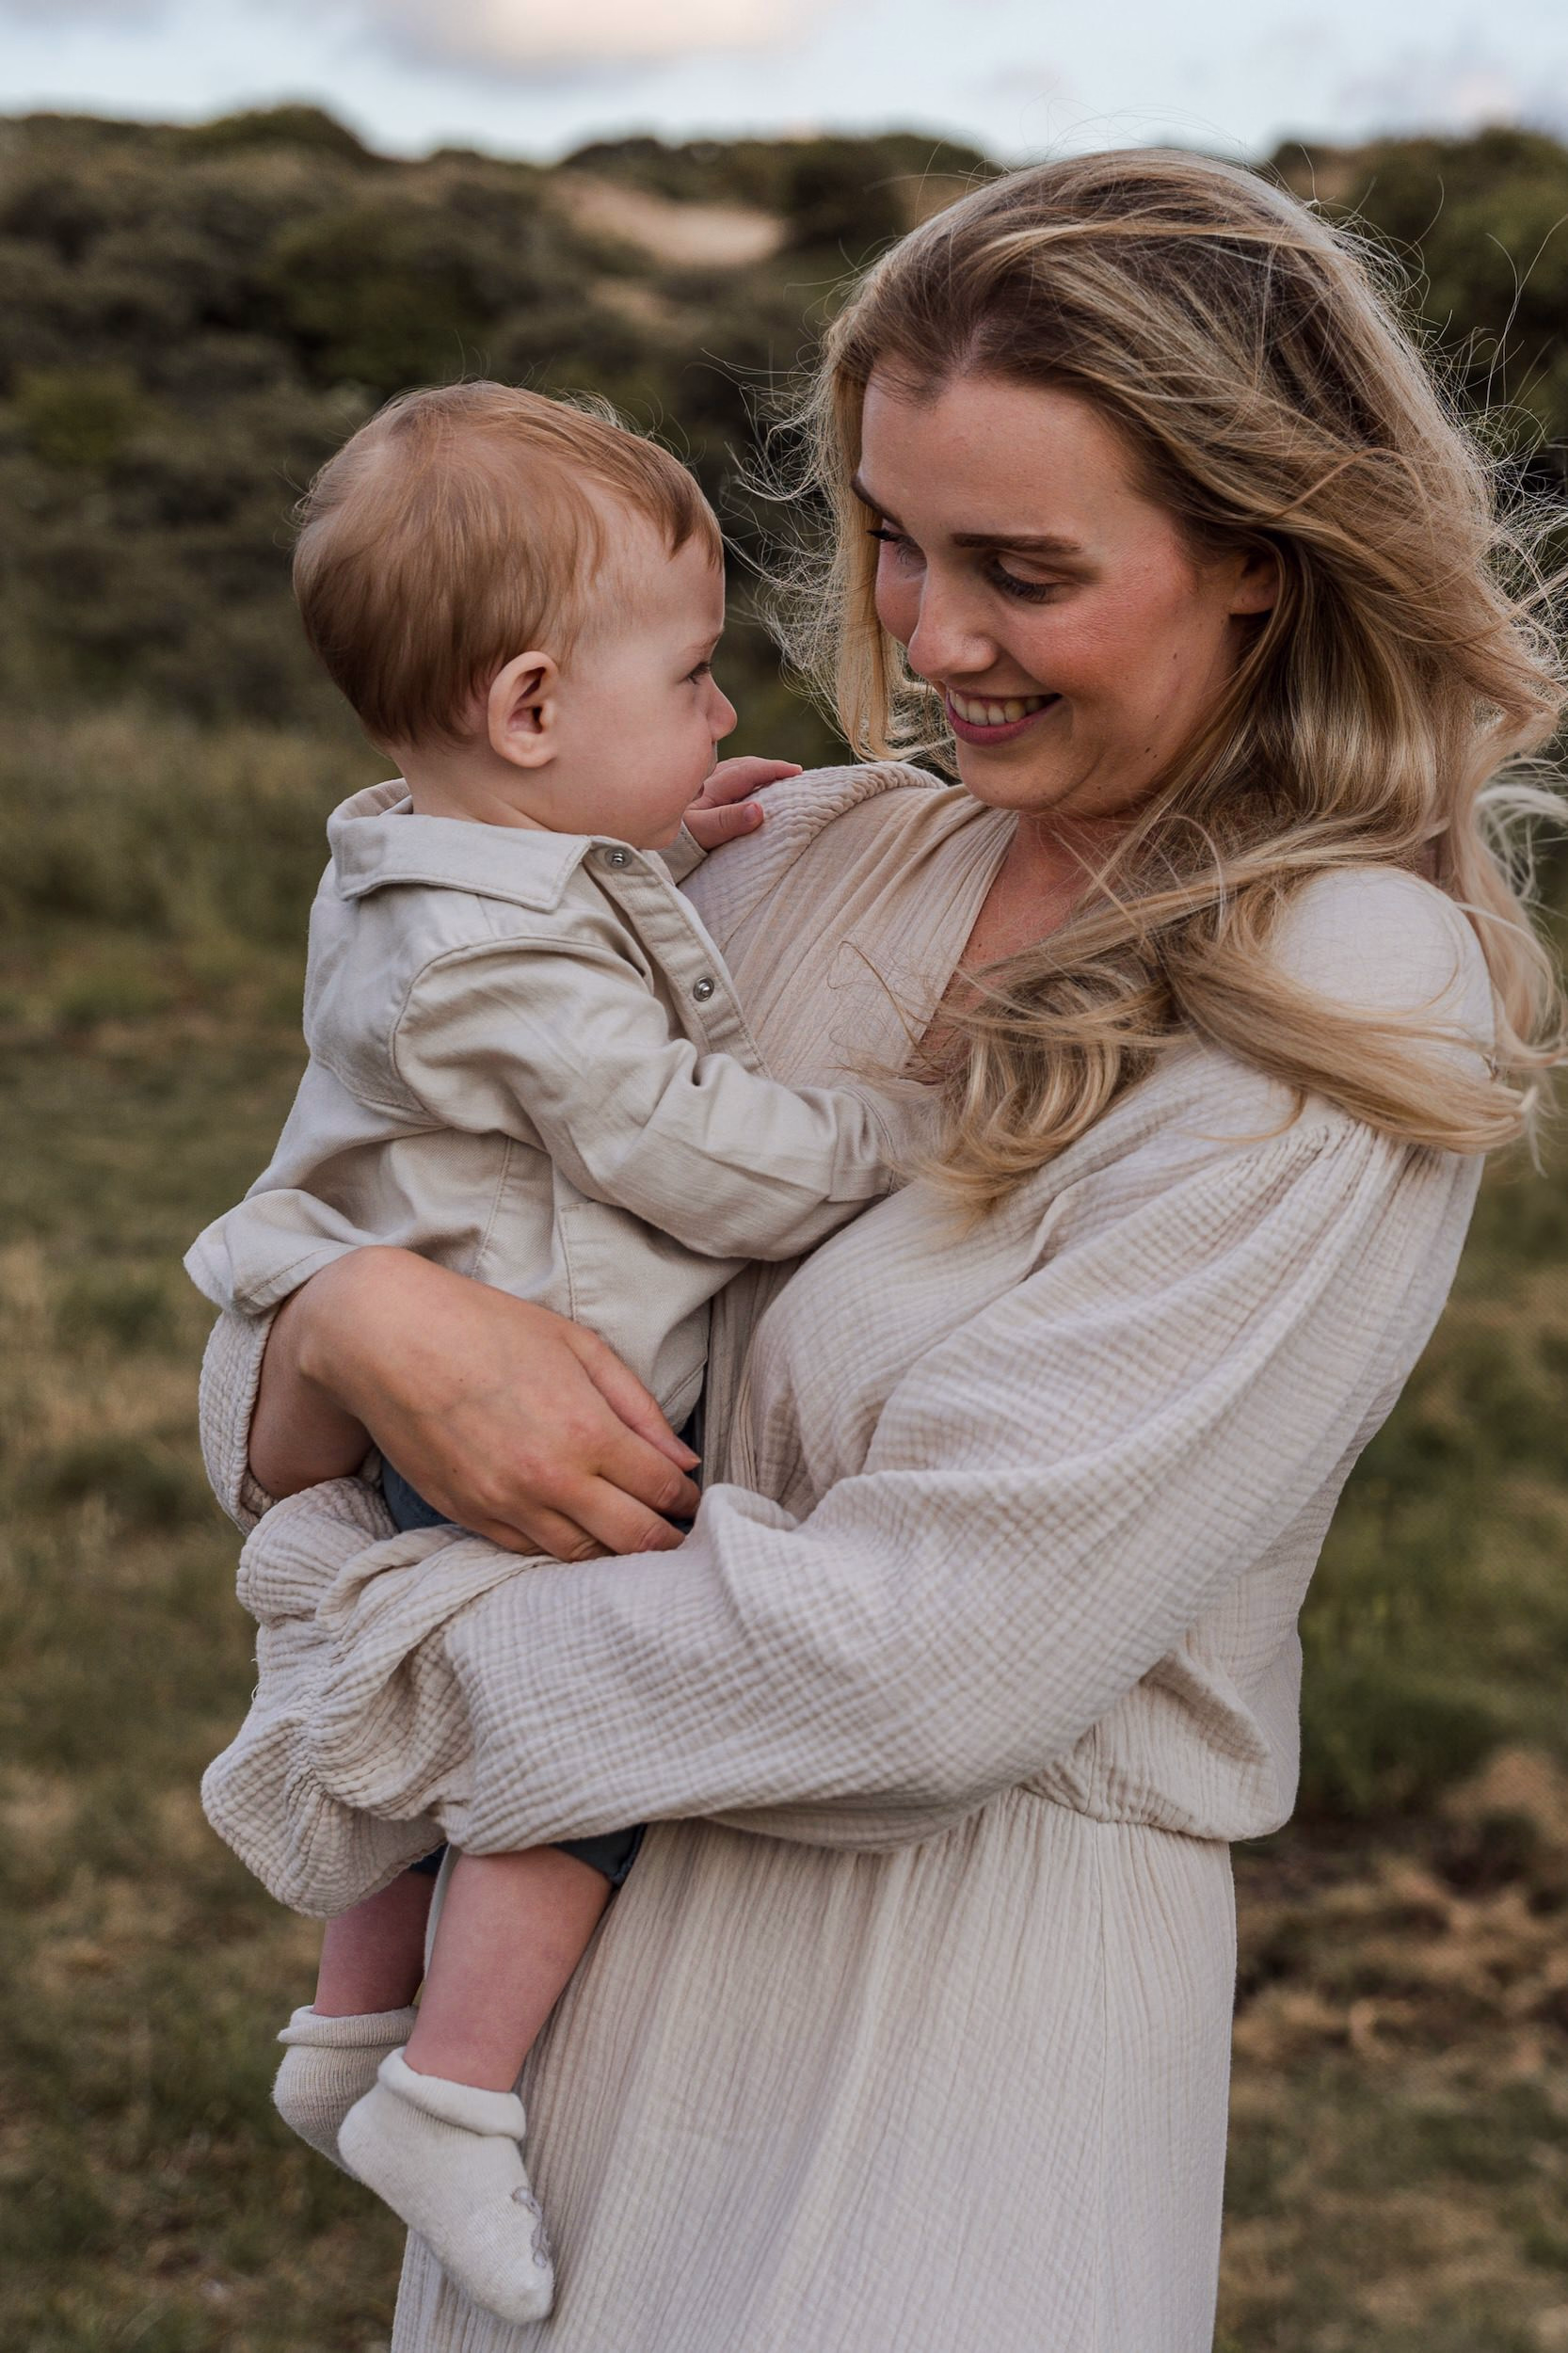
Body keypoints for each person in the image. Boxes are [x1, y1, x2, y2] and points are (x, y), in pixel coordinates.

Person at [195, 152, 1565, 2351]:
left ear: (1260, 563)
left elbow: (932, 1667)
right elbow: (296, 1340)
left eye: (1022, 567)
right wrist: (357, 1313)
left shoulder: (1342, 982)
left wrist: (375, 1669)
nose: (926, 638)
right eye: (893, 539)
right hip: (538, 2032)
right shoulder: (784, 854)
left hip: (935, 2041)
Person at [185, 381, 920, 2325]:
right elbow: (669, 1134)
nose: (717, 717)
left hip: (455, 1365)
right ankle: (453, 2082)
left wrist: (648, 826)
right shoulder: (489, 951)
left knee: (407, 1681)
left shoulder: (444, 868)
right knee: (555, 1741)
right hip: (546, 1400)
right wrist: (893, 1132)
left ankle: (348, 2025)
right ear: (528, 712)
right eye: (685, 678)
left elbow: (559, 938)